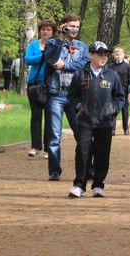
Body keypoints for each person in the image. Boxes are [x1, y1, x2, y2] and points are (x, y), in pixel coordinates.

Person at [67, 41, 126, 198]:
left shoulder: (112, 75)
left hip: (104, 122)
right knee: (82, 151)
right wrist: (79, 106)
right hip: (85, 121)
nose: (103, 57)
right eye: (100, 54)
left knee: (102, 153)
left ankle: (98, 184)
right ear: (91, 55)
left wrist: (113, 109)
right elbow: (72, 95)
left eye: (106, 54)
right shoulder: (80, 74)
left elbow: (120, 96)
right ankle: (79, 184)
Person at [43, 14, 90, 181]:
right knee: (54, 135)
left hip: (75, 96)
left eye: (77, 27)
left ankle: (86, 170)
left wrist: (66, 65)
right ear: (63, 26)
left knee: (82, 134)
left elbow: (84, 65)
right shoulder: (53, 43)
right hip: (56, 94)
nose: (74, 30)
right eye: (71, 26)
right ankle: (54, 171)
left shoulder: (82, 46)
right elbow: (50, 59)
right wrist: (61, 39)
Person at [24, 19, 55, 158]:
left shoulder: (55, 45)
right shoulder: (33, 45)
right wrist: (42, 55)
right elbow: (28, 60)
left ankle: (49, 148)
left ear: (53, 32)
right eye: (43, 29)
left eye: (48, 29)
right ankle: (35, 146)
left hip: (50, 84)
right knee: (35, 115)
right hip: (34, 84)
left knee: (50, 116)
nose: (45, 32)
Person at [109, 46, 130, 135]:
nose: (118, 56)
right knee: (113, 109)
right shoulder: (111, 66)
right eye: (117, 54)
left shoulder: (127, 66)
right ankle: (112, 129)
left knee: (125, 110)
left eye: (120, 54)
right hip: (113, 91)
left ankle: (126, 128)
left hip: (124, 91)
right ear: (114, 55)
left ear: (123, 55)